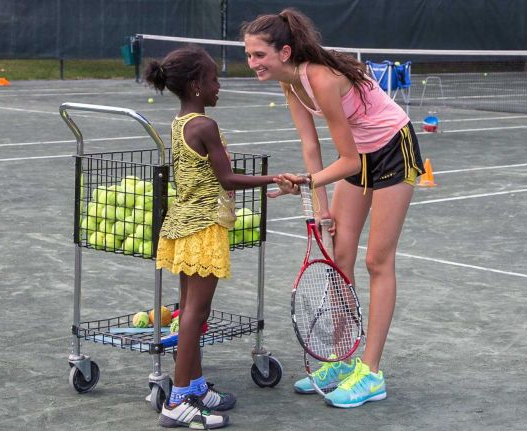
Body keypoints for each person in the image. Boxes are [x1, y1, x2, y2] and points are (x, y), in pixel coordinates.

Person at [242, 8, 425, 408]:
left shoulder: (321, 79)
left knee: (377, 260)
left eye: (259, 55)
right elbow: (311, 147)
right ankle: (342, 361)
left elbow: (346, 162)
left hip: (394, 148)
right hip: (359, 154)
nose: (252, 63)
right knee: (340, 257)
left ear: (285, 51)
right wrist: (320, 208)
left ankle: (371, 372)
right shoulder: (289, 85)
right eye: (249, 55)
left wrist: (306, 184)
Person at [145, 45, 298, 428]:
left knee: (193, 312)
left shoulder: (180, 121)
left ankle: (194, 385)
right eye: (214, 79)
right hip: (202, 229)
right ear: (196, 85)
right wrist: (276, 179)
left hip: (183, 226)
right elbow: (226, 179)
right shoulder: (204, 125)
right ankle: (178, 401)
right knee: (194, 315)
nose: (219, 86)